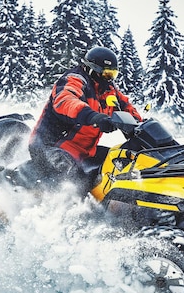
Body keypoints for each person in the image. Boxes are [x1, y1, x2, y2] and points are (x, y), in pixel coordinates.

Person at [28, 46, 142, 190]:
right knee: (75, 180)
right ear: (92, 70)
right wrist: (94, 117)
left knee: (121, 160)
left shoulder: (108, 90)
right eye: (107, 74)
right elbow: (65, 100)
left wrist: (140, 127)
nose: (110, 79)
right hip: (48, 147)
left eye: (113, 74)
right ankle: (66, 211)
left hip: (85, 151)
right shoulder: (74, 79)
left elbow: (126, 107)